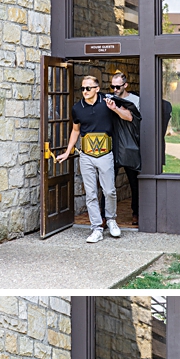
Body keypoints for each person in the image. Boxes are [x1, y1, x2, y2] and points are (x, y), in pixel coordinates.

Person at [54, 75, 132, 244]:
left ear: (97, 88)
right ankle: (96, 228)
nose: (85, 91)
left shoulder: (108, 101)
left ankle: (111, 220)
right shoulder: (77, 108)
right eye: (82, 88)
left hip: (106, 153)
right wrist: (68, 152)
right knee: (90, 194)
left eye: (88, 88)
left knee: (109, 190)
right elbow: (75, 131)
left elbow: (129, 117)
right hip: (86, 155)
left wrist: (115, 109)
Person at [107, 70, 142, 224]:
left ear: (125, 85)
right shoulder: (108, 99)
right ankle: (105, 216)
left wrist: (114, 107)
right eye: (112, 86)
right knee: (107, 183)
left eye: (118, 86)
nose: (115, 89)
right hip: (113, 146)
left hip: (129, 146)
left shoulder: (135, 100)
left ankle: (137, 213)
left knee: (134, 183)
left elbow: (130, 117)